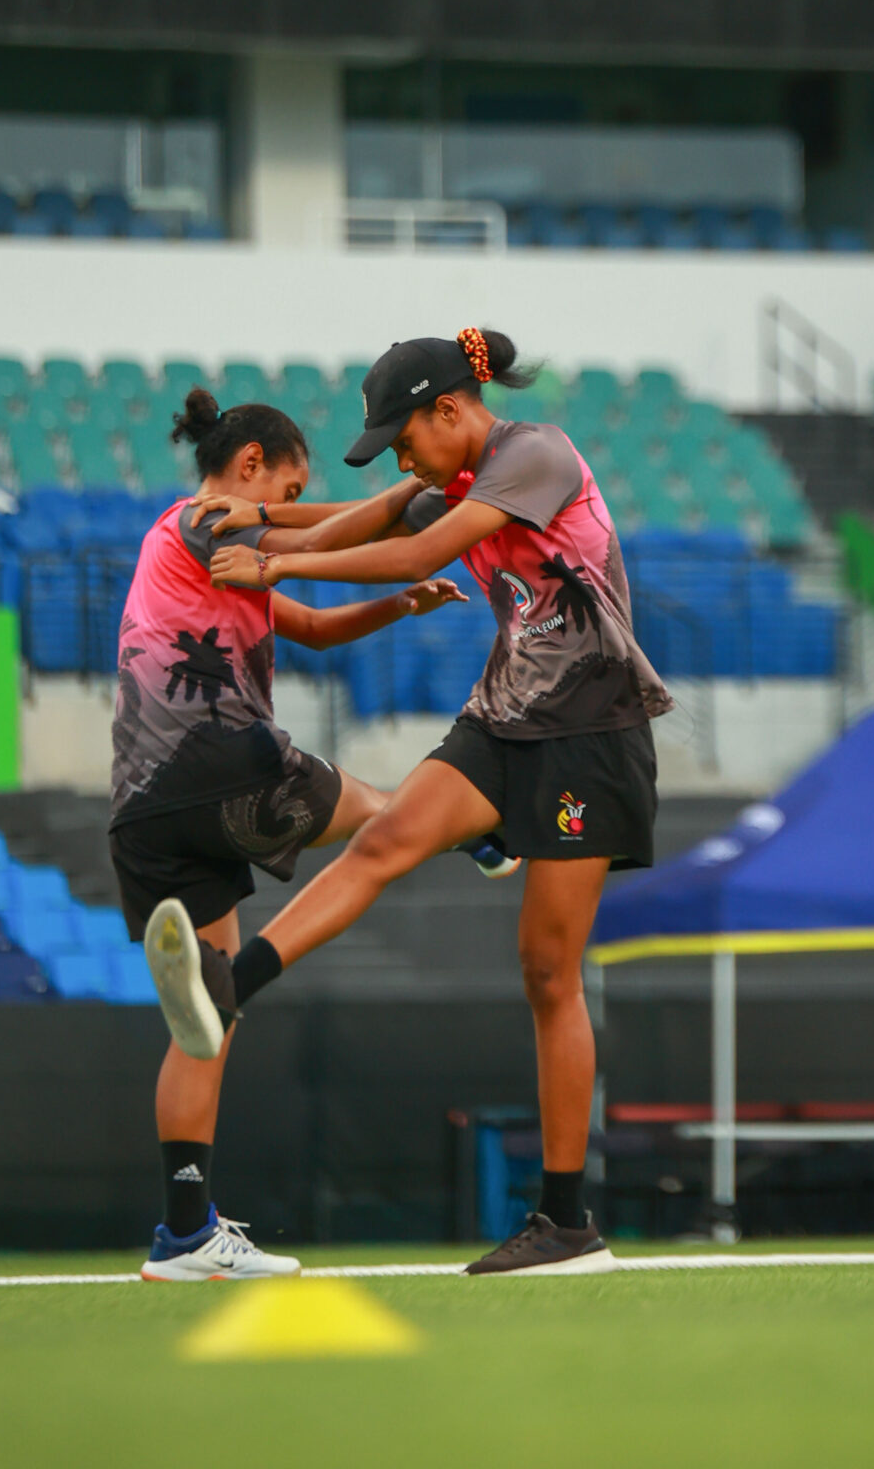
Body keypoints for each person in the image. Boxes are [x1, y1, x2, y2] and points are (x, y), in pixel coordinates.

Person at [142, 328, 672, 1278]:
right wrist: (251, 527)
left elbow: (416, 550)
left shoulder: (536, 455)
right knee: (384, 839)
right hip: (505, 717)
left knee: (548, 971)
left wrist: (276, 564)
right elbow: (369, 518)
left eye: (404, 436)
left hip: (591, 735)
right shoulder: (455, 475)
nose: (401, 455)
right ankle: (232, 988)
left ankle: (565, 1222)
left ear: (450, 410)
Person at [111, 384, 472, 1284]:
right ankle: (480, 831)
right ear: (249, 470)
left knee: (209, 1019)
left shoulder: (212, 559)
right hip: (215, 762)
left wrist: (400, 606)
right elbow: (318, 543)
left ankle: (185, 1232)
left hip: (146, 814)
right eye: (288, 481)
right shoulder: (207, 519)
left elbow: (305, 625)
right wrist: (395, 509)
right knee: (394, 813)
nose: (287, 498)